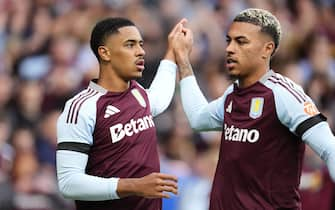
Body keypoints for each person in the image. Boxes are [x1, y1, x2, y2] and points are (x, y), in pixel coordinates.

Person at [175, 8, 335, 209]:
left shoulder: (283, 94)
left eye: (241, 42)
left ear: (267, 49)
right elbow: (198, 119)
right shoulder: (231, 95)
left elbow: (330, 148)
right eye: (229, 41)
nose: (230, 49)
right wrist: (183, 61)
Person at [56, 17, 192, 210]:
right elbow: (69, 183)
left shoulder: (137, 93)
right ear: (105, 53)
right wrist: (134, 185)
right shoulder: (82, 107)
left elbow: (158, 99)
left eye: (141, 45)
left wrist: (172, 51)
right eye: (130, 45)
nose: (141, 51)